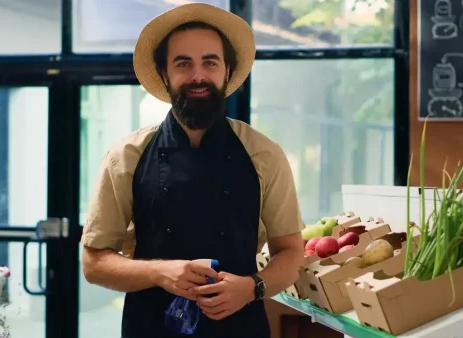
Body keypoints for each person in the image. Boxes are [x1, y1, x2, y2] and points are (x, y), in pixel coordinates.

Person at [80, 3, 305, 338]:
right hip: (150, 328)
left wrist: (250, 287)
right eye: (183, 63)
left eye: (209, 62)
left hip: (240, 328)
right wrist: (161, 273)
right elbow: (94, 262)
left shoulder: (264, 154)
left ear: (227, 71)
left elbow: (291, 252)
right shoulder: (126, 156)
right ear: (164, 73)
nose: (198, 75)